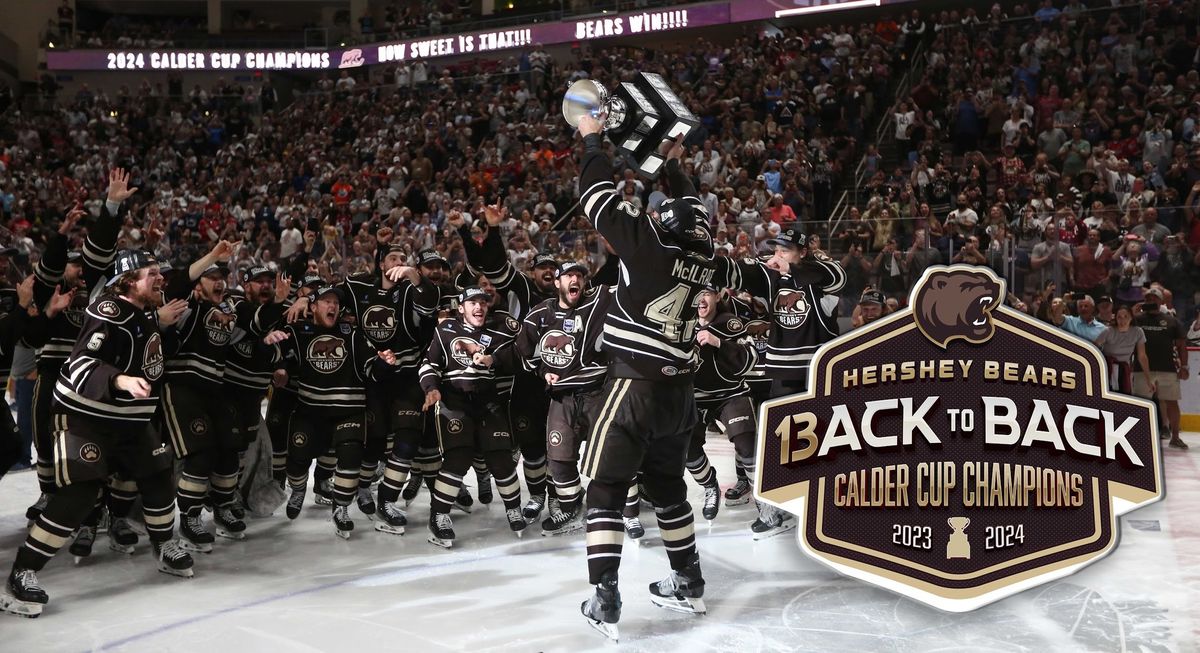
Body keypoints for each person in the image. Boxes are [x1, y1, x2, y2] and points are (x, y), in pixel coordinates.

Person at [575, 116, 713, 640]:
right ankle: (688, 580)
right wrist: (673, 168)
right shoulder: (704, 252)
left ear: (663, 221)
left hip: (634, 384)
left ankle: (605, 595)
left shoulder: (650, 245)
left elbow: (595, 193)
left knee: (607, 487)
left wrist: (591, 136)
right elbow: (690, 208)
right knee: (669, 489)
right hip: (680, 393)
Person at [2, 250, 194, 618]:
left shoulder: (140, 314)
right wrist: (120, 380)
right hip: (86, 418)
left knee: (157, 476)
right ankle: (21, 572)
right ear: (126, 282)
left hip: (130, 422)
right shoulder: (108, 311)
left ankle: (164, 545)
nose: (159, 279)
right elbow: (86, 362)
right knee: (79, 493)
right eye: (150, 273)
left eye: (159, 272)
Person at [270, 285, 396, 538]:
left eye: (336, 303)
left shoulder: (351, 333)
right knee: (296, 461)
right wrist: (281, 368)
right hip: (310, 411)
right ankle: (297, 488)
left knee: (350, 458)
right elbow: (277, 350)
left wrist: (384, 363)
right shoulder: (297, 331)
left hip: (348, 410)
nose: (333, 306)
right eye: (326, 302)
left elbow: (370, 367)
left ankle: (341, 508)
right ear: (313, 307)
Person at [418, 285, 527, 547]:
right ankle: (439, 515)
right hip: (454, 400)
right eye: (472, 303)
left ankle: (514, 508)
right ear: (461, 307)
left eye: (483, 303)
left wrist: (495, 360)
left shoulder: (498, 330)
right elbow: (428, 364)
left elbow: (520, 350)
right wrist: (431, 388)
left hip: (487, 401)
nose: (478, 307)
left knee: (501, 458)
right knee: (458, 457)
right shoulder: (445, 330)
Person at [516, 261, 613, 536]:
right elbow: (523, 348)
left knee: (609, 455)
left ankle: (622, 512)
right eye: (569, 275)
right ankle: (571, 509)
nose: (576, 279)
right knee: (558, 459)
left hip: (597, 394)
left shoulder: (598, 301)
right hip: (561, 398)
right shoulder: (540, 314)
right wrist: (542, 371)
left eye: (580, 276)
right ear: (557, 282)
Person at [689, 284, 758, 527]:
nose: (701, 299)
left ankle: (763, 500)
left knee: (747, 444)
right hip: (695, 397)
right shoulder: (681, 323)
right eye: (697, 293)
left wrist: (719, 342)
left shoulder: (731, 323)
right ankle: (710, 486)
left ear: (718, 296)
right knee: (687, 449)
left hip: (731, 393)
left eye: (706, 293)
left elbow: (749, 361)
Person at [1133, 287, 1189, 449]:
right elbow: (1123, 332)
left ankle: (1175, 437)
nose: (1150, 300)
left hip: (1167, 368)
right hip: (1142, 370)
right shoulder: (1137, 319)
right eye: (1148, 298)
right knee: (1140, 404)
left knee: (1172, 402)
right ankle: (1138, 438)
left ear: (1161, 301)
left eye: (1154, 298)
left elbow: (1181, 346)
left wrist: (1184, 366)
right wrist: (1131, 313)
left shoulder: (1171, 320)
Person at [1095, 305, 1153, 395]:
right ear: (1115, 318)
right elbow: (1094, 348)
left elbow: (1142, 356)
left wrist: (1149, 380)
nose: (1123, 320)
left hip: (1125, 370)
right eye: (1119, 317)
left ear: (1131, 318)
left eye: (1126, 317)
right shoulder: (1108, 331)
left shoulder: (1138, 332)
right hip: (1108, 369)